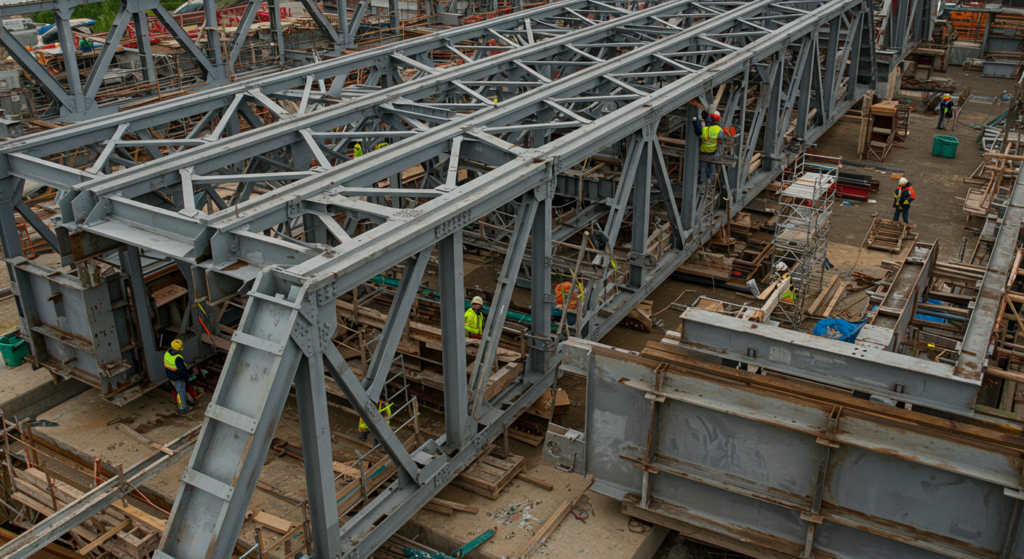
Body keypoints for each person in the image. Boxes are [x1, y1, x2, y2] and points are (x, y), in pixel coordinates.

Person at [164, 339, 197, 414]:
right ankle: (183, 408)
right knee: (181, 391)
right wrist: (188, 375)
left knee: (179, 389)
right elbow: (182, 369)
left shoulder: (167, 353)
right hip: (177, 376)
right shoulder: (177, 358)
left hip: (170, 374)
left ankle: (185, 403)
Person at [692, 113, 724, 187]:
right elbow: (721, 138)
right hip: (712, 151)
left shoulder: (704, 130)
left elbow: (698, 133)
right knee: (712, 165)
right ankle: (711, 181)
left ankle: (703, 181)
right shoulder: (717, 129)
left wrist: (696, 121)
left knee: (703, 166)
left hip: (703, 151)